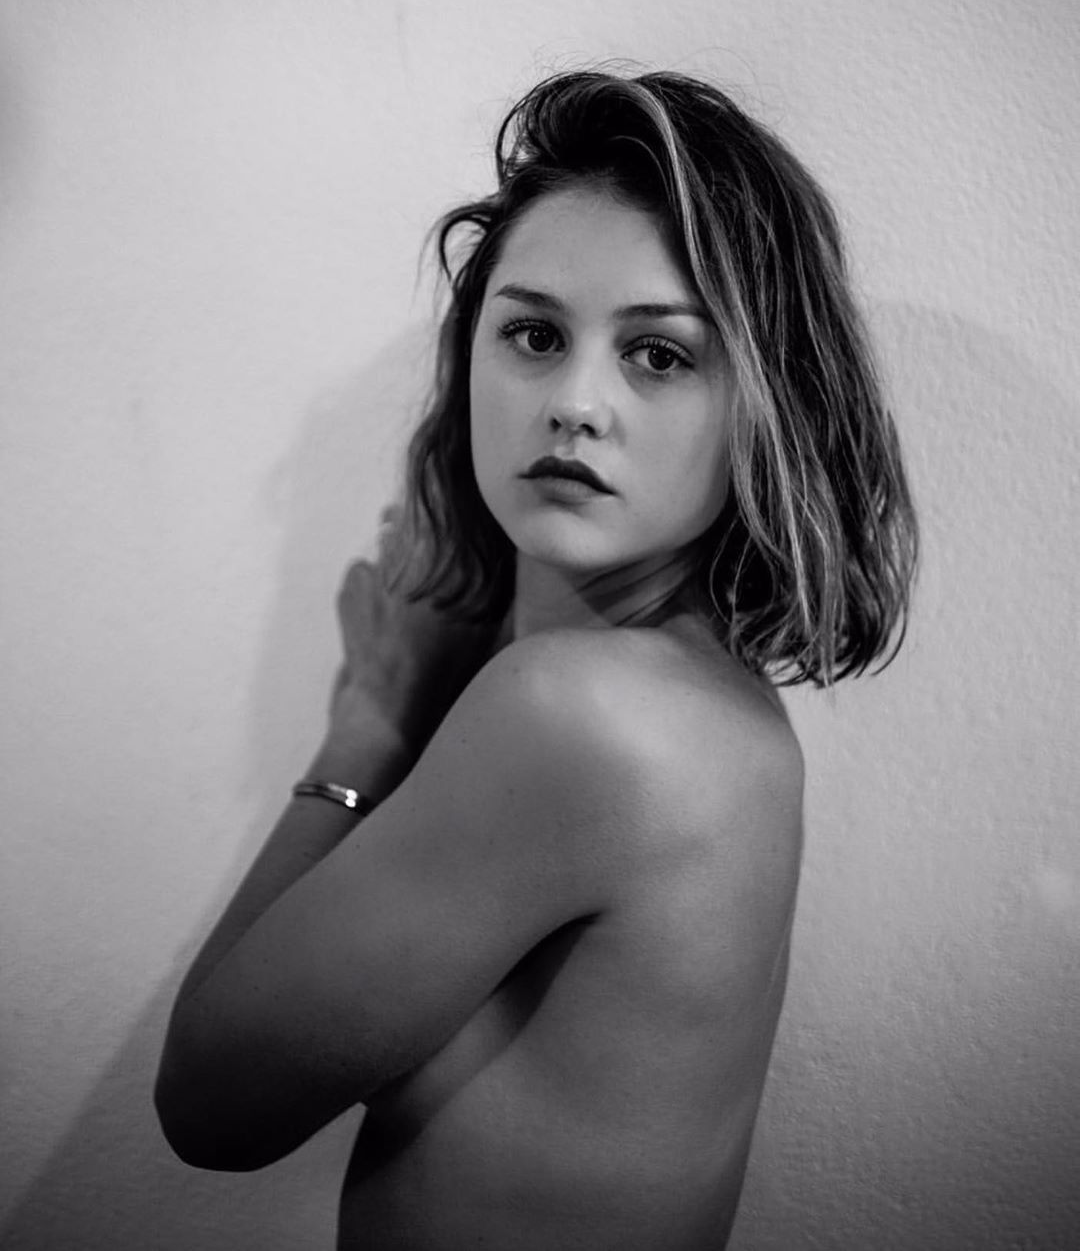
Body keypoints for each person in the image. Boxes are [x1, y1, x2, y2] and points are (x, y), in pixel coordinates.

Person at [154, 67, 917, 1249]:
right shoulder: (713, 706)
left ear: (763, 408)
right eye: (534, 335)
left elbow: (209, 1104)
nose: (575, 402)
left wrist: (370, 722)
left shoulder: (578, 714)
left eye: (659, 355)